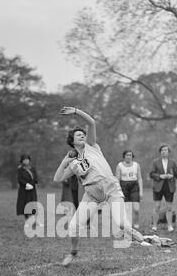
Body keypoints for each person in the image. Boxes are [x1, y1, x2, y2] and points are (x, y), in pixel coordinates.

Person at [53, 106, 145, 266]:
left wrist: (75, 111)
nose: (82, 135)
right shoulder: (74, 163)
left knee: (121, 222)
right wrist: (65, 161)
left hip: (110, 187)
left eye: (83, 134)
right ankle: (73, 252)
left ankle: (132, 232)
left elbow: (91, 122)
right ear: (72, 141)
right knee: (73, 226)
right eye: (78, 135)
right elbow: (57, 178)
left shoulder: (91, 146)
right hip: (92, 194)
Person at [150, 144, 176, 232]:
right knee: (157, 206)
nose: (164, 151)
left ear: (168, 152)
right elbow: (152, 174)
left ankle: (170, 225)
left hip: (169, 186)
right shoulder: (155, 162)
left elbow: (176, 174)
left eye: (166, 150)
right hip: (158, 186)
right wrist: (160, 176)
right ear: (160, 152)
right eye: (162, 150)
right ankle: (154, 226)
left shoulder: (172, 162)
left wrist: (171, 176)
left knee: (169, 207)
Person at [115, 149, 143, 229]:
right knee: (127, 209)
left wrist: (141, 191)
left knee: (136, 209)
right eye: (127, 155)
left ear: (132, 156)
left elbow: (140, 178)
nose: (128, 157)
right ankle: (128, 224)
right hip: (124, 186)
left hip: (134, 186)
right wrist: (118, 191)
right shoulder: (120, 165)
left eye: (130, 155)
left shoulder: (136, 165)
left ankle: (136, 223)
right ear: (124, 156)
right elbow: (117, 179)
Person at [16, 154, 38, 219]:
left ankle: (34, 219)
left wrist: (31, 184)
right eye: (24, 160)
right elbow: (19, 179)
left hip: (32, 189)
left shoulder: (32, 168)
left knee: (33, 204)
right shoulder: (20, 169)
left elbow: (35, 178)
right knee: (25, 204)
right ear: (22, 161)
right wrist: (26, 184)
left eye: (27, 160)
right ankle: (27, 219)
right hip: (24, 189)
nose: (26, 161)